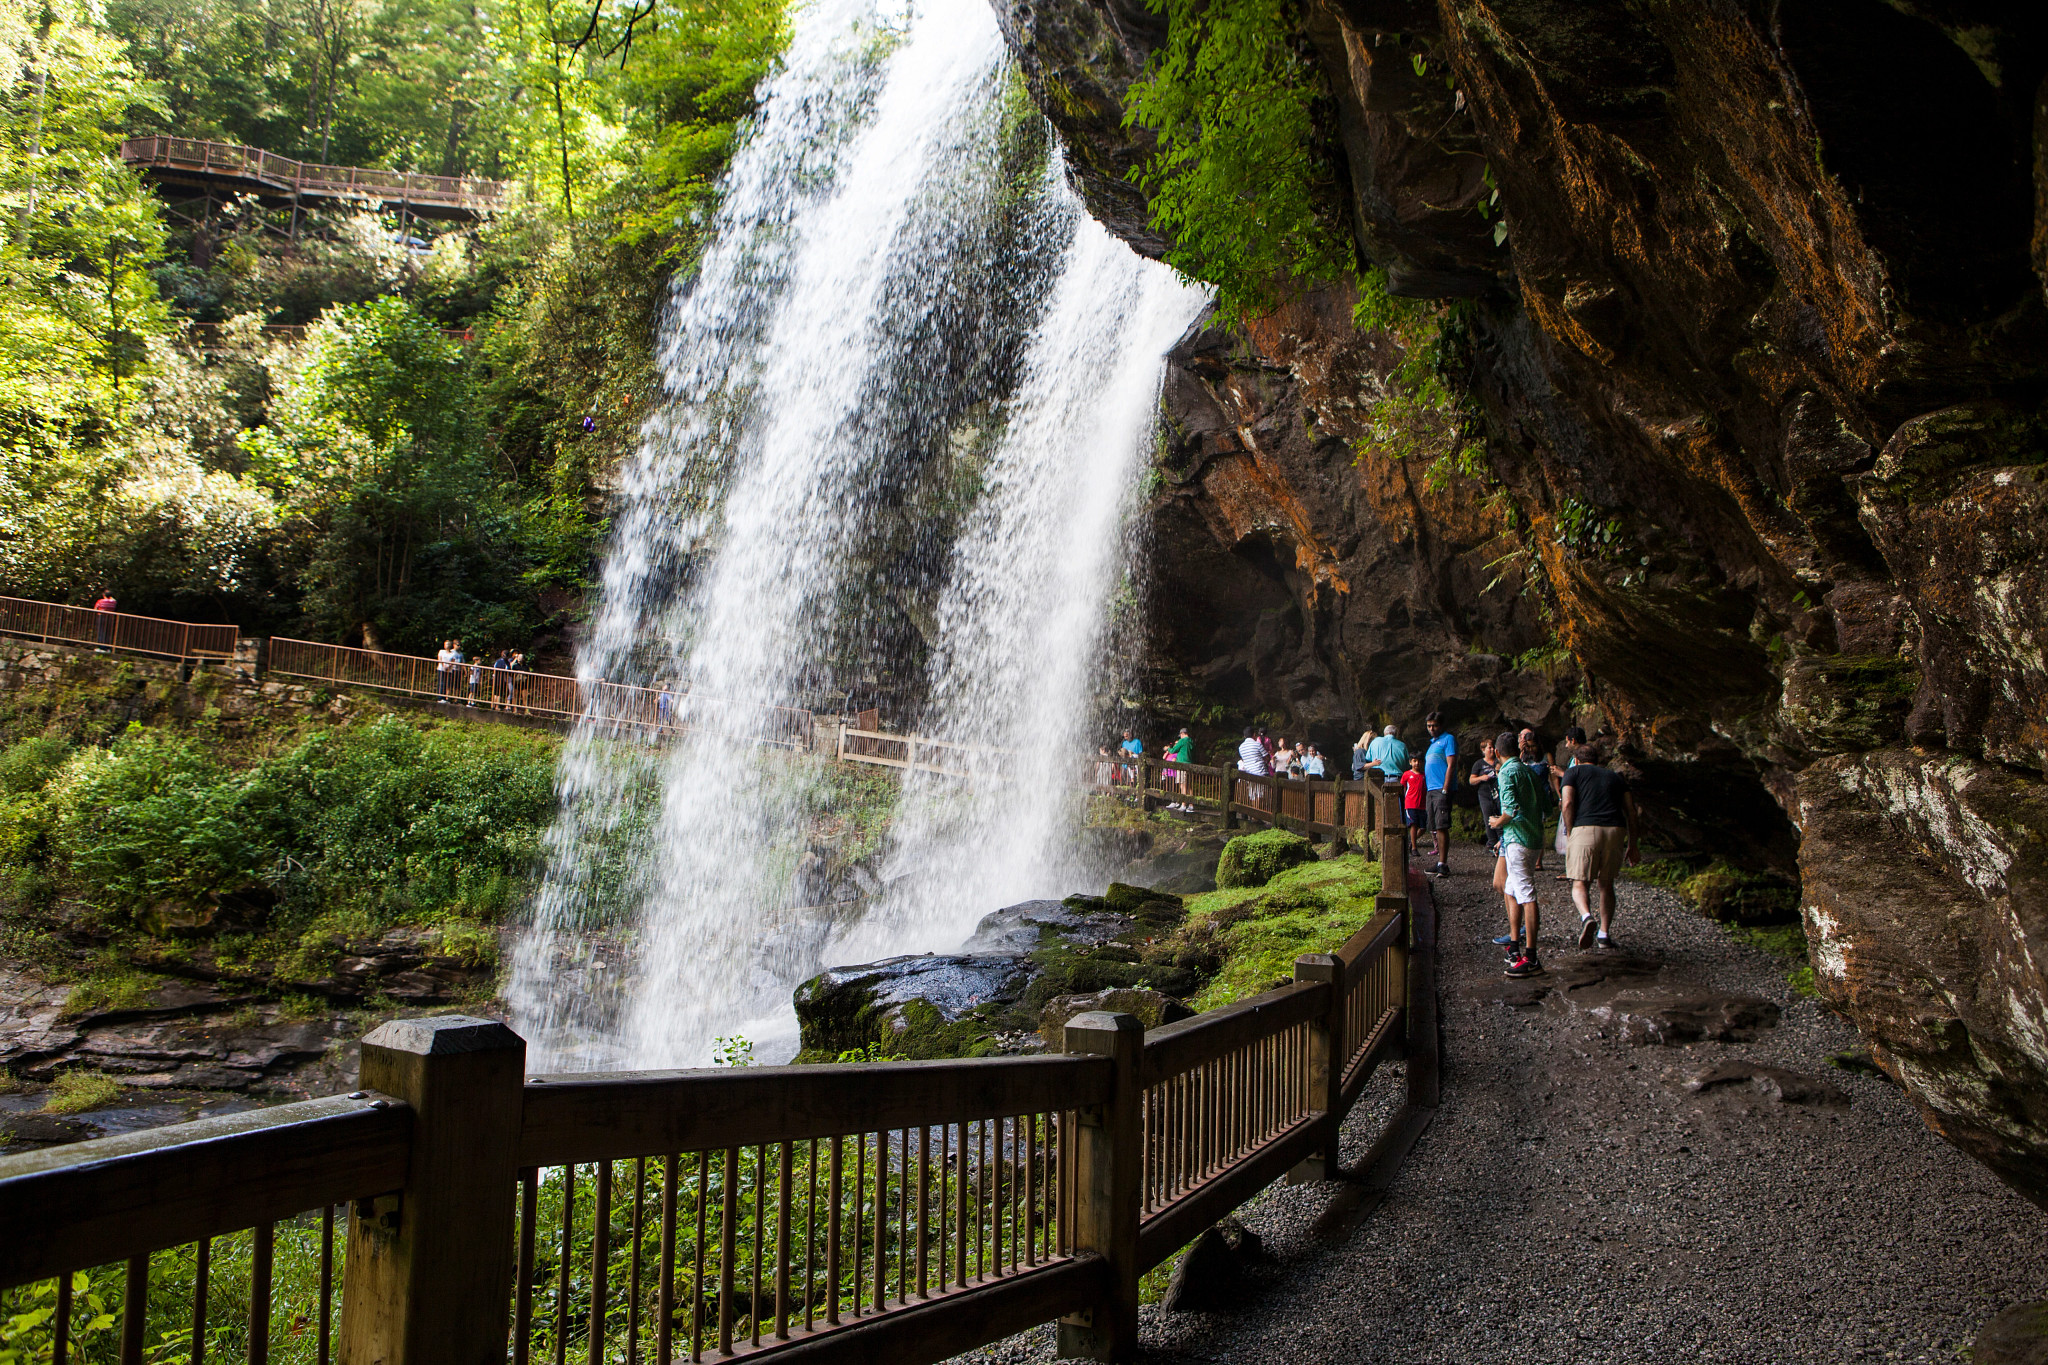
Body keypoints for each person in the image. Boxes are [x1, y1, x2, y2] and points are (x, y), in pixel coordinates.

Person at [1560, 743, 1640, 949]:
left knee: (1579, 882)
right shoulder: (1615, 777)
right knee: (1606, 884)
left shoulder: (1573, 772)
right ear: (1597, 761)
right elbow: (1631, 812)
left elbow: (1567, 803)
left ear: (1576, 760)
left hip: (1585, 828)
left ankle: (1587, 917)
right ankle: (1604, 934)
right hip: (1615, 830)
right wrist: (1633, 844)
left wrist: (1570, 832)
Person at [1489, 731, 1545, 977]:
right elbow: (1546, 804)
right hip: (1533, 837)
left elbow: (1510, 809)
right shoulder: (1529, 770)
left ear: (1498, 753)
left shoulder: (1507, 772)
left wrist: (1497, 822)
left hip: (1518, 839)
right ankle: (1514, 947)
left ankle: (1531, 958)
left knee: (1525, 893)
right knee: (1511, 889)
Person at [1422, 711, 1456, 877]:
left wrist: (1445, 788)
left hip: (1441, 789)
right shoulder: (1432, 744)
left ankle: (1443, 864)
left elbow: (1451, 763)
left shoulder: (1448, 739)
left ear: (1441, 725)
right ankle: (1439, 862)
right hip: (1431, 789)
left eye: (1434, 725)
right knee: (1434, 826)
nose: (1431, 728)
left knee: (1442, 826)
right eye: (1429, 726)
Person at [1469, 737, 1502, 856]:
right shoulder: (1479, 764)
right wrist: (1482, 778)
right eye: (1489, 748)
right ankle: (1492, 843)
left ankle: (1501, 842)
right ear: (1483, 750)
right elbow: (1471, 780)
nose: (1492, 750)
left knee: (1500, 815)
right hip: (1484, 794)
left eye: (1493, 747)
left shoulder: (1499, 762)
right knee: (1488, 817)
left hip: (1498, 793)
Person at [1237, 725, 1270, 808]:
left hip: (1249, 772)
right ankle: (1257, 816)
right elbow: (1267, 757)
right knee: (1260, 794)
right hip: (1260, 772)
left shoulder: (1241, 747)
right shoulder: (1257, 745)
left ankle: (1253, 815)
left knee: (1252, 794)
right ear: (1254, 735)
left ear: (1244, 736)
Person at [1398, 755, 1427, 851]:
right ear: (1410, 762)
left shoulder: (1424, 775)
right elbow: (1402, 787)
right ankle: (1414, 847)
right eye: (1414, 761)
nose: (1417, 763)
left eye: (1419, 761)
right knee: (1413, 825)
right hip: (1410, 803)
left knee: (1423, 828)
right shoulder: (1406, 774)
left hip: (1422, 805)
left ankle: (1411, 841)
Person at [1166, 727, 1194, 811]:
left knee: (1182, 784)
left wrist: (1167, 748)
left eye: (1180, 735)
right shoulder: (1191, 741)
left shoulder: (1182, 741)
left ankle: (1184, 804)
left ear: (1182, 733)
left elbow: (1173, 750)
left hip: (1182, 765)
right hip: (1189, 765)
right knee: (1188, 785)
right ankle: (1191, 805)